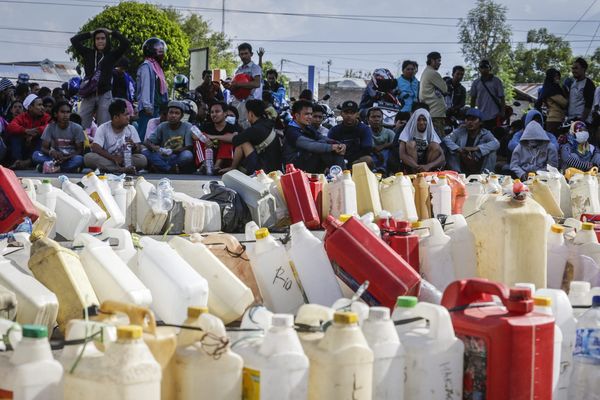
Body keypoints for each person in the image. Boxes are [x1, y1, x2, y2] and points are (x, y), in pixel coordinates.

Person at [70, 28, 130, 129]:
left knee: (104, 126)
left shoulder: (112, 55)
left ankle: (102, 145)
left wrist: (111, 32)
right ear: (94, 41)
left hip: (104, 94)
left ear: (107, 40)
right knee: (80, 124)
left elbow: (125, 43)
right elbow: (74, 40)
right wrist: (91, 33)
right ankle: (82, 144)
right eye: (97, 39)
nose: (100, 41)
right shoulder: (88, 53)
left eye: (103, 38)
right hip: (88, 94)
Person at [84, 99, 146, 173]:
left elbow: (139, 150)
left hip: (125, 160)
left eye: (128, 114)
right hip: (109, 159)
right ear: (116, 117)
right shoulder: (103, 128)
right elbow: (96, 148)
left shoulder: (131, 128)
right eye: (125, 115)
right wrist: (114, 158)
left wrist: (134, 146)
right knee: (88, 158)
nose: (128, 117)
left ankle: (111, 169)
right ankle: (121, 170)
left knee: (142, 159)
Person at [282, 99, 345, 173]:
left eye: (311, 114)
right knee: (322, 148)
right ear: (297, 115)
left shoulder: (307, 127)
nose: (310, 117)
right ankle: (341, 175)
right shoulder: (291, 131)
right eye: (306, 114)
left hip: (306, 161)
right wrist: (332, 147)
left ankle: (340, 174)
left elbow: (321, 137)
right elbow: (310, 145)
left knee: (329, 146)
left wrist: (339, 144)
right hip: (294, 167)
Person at [220, 99, 281, 174]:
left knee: (243, 142)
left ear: (251, 114)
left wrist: (214, 137)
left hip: (264, 170)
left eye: (246, 112)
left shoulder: (255, 129)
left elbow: (235, 140)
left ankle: (233, 168)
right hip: (276, 168)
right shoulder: (268, 123)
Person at [32, 101, 84, 173]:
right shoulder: (50, 127)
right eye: (62, 112)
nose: (65, 115)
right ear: (56, 114)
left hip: (70, 158)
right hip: (54, 158)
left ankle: (49, 167)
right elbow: (43, 148)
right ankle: (65, 169)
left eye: (68, 112)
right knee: (36, 155)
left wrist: (66, 157)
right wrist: (52, 152)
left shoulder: (77, 128)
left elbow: (79, 151)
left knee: (79, 159)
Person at [443, 108, 500, 174]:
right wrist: (459, 149)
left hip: (477, 162)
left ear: (480, 122)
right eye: (468, 119)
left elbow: (496, 143)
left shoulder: (485, 133)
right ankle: (457, 174)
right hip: (461, 161)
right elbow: (447, 139)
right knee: (450, 150)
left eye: (473, 119)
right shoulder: (460, 130)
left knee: (492, 152)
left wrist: (476, 148)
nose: (470, 122)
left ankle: (485, 175)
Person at [143, 100, 194, 173]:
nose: (173, 115)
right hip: (162, 156)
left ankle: (161, 167)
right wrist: (152, 147)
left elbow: (189, 147)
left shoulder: (187, 126)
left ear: (181, 116)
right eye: (171, 112)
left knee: (187, 155)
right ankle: (169, 169)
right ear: (167, 114)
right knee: (145, 152)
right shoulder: (162, 126)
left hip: (177, 156)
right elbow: (147, 141)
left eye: (177, 113)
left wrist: (172, 151)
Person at [222, 43, 262, 129]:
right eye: (241, 54)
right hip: (238, 103)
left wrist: (238, 84)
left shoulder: (255, 68)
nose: (244, 56)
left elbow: (257, 83)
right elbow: (234, 89)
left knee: (250, 128)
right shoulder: (238, 70)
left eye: (246, 53)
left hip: (251, 103)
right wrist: (228, 86)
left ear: (251, 54)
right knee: (239, 126)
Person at [136, 37, 169, 141]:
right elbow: (145, 87)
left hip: (157, 107)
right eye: (159, 49)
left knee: (153, 135)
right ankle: (138, 154)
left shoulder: (157, 67)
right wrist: (147, 106)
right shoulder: (146, 66)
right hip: (149, 108)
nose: (162, 51)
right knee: (143, 134)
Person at [6, 94, 51, 169]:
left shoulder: (46, 116)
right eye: (39, 105)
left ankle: (27, 163)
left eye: (42, 105)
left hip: (37, 149)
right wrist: (26, 131)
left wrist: (35, 132)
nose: (42, 108)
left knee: (43, 137)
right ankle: (18, 161)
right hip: (25, 147)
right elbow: (11, 126)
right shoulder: (22, 116)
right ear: (30, 107)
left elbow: (49, 127)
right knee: (15, 136)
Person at [327, 100, 374, 168]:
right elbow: (329, 149)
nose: (349, 115)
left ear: (357, 114)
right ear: (341, 113)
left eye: (352, 113)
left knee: (368, 160)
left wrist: (352, 162)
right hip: (339, 161)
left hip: (357, 162)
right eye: (346, 112)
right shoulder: (334, 130)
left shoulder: (365, 129)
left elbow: (367, 149)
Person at [398, 108, 445, 173]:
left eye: (424, 120)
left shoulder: (432, 132)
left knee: (435, 145)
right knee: (411, 144)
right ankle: (414, 174)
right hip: (412, 165)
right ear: (414, 120)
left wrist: (428, 166)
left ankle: (428, 174)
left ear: (428, 121)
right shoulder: (407, 130)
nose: (421, 122)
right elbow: (402, 155)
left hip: (427, 163)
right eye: (418, 120)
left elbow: (442, 157)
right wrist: (418, 167)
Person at [202, 102, 239, 173]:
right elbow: (194, 134)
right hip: (209, 155)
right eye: (212, 112)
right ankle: (203, 165)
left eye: (217, 111)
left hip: (226, 159)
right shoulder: (206, 126)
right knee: (200, 138)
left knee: (226, 141)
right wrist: (205, 139)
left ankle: (216, 166)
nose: (214, 114)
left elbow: (234, 138)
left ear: (225, 113)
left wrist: (213, 137)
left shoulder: (232, 127)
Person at [470, 60, 506, 131]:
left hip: (495, 116)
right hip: (481, 116)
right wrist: (472, 112)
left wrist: (502, 111)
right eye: (482, 67)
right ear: (479, 69)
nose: (484, 69)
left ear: (490, 68)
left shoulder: (496, 81)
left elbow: (502, 97)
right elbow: (473, 99)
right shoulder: (476, 82)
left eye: (486, 67)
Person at [419, 52, 448, 137]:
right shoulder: (432, 73)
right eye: (438, 61)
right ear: (432, 61)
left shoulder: (426, 72)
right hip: (435, 114)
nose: (440, 63)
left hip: (431, 112)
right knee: (438, 140)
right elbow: (445, 89)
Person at [536, 68, 568, 136]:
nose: (557, 78)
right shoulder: (552, 90)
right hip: (555, 120)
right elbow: (564, 103)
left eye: (558, 76)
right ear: (551, 77)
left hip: (555, 119)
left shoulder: (550, 88)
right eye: (555, 76)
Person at [567, 57, 595, 124]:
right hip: (571, 120)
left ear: (583, 69)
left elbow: (589, 105)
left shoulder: (588, 84)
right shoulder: (572, 83)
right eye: (572, 68)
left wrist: (581, 122)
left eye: (576, 68)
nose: (573, 70)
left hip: (583, 122)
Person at [367, 107, 395, 172]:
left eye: (378, 117)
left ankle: (382, 170)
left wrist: (382, 146)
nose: (376, 119)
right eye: (373, 117)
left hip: (387, 160)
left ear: (382, 119)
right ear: (368, 120)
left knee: (386, 151)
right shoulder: (366, 132)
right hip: (372, 157)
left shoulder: (389, 132)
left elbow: (395, 143)